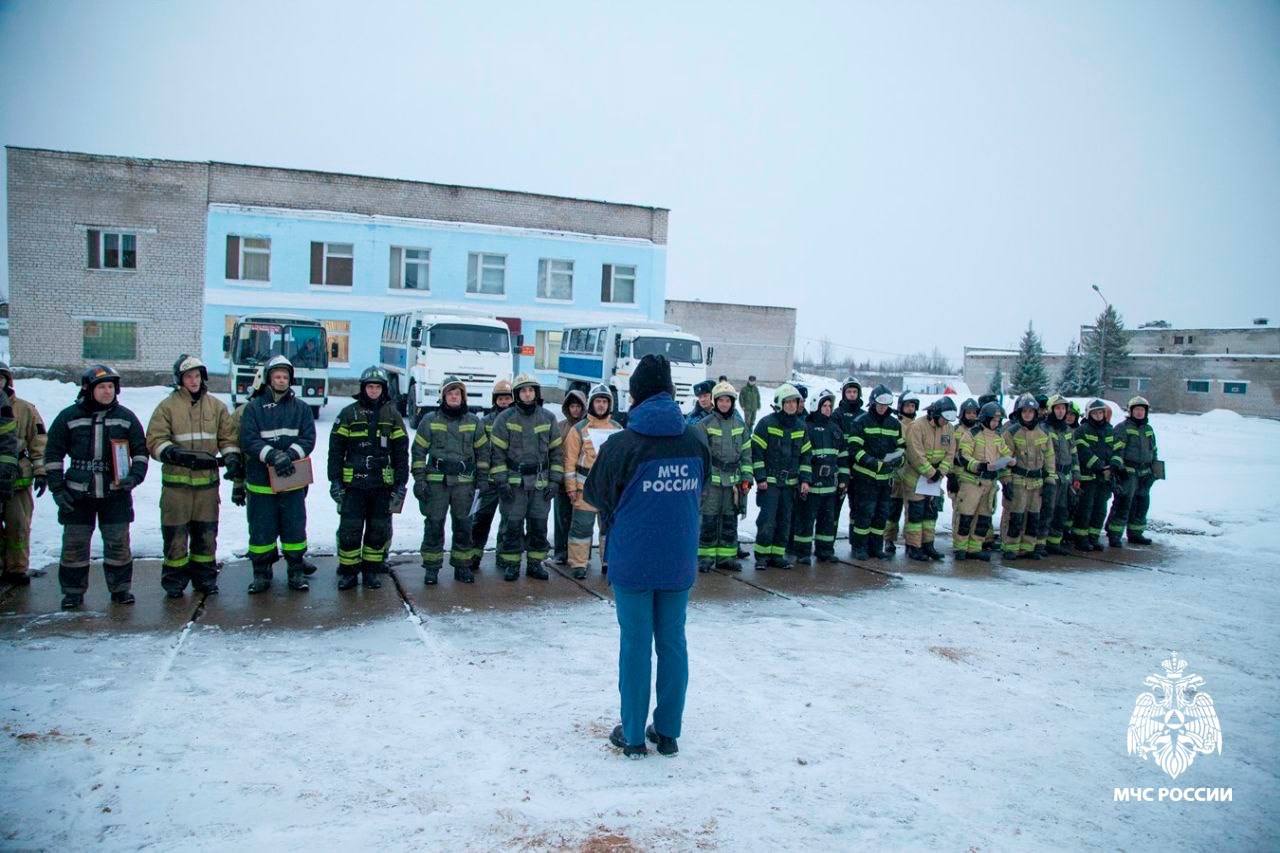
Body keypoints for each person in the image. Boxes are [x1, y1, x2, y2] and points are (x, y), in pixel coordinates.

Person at [583, 354, 708, 758]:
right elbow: (701, 486)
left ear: (634, 396)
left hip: (632, 560)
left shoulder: (622, 444)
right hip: (678, 559)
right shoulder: (695, 439)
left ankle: (634, 736)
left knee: (636, 644)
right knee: (673, 642)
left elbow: (594, 495)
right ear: (671, 393)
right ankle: (668, 731)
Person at [44, 365, 148, 609]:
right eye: (101, 387)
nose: (107, 391)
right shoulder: (68, 417)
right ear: (89, 389)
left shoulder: (126, 417)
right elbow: (52, 454)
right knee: (75, 544)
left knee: (118, 543)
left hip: (116, 493)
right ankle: (72, 593)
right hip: (77, 494)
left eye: (111, 387)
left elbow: (141, 453)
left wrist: (134, 477)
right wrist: (57, 489)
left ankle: (121, 590)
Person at [146, 355, 240, 598]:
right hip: (176, 487)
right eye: (189, 376)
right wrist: (172, 453)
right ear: (180, 379)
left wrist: (230, 457)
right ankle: (175, 582)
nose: (194, 380)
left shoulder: (216, 407)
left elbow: (227, 438)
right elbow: (155, 439)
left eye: (197, 376)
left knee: (206, 536)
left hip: (207, 487)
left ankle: (205, 579)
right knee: (176, 536)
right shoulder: (167, 407)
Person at [240, 355, 316, 593]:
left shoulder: (301, 408)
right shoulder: (254, 408)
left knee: (294, 529)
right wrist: (272, 456)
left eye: (285, 377)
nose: (281, 381)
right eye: (277, 376)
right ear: (269, 379)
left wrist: (290, 455)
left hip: (292, 482)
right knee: (261, 530)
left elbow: (308, 438)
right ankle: (261, 574)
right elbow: (248, 439)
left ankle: (295, 572)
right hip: (260, 483)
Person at [330, 367, 408, 590]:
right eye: (370, 386)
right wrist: (334, 480)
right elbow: (335, 450)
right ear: (363, 388)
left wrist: (400, 482)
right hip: (353, 485)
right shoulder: (347, 414)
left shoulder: (392, 416)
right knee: (350, 529)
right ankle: (348, 572)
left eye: (378, 387)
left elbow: (401, 452)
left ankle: (371, 571)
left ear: (384, 390)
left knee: (378, 530)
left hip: (382, 485)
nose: (373, 390)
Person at [489, 374, 563, 581]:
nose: (527, 394)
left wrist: (555, 480)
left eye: (531, 390)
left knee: (538, 525)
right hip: (514, 484)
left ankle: (535, 563)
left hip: (541, 483)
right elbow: (497, 455)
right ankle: (511, 564)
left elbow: (557, 453)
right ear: (516, 394)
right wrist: (501, 481)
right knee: (512, 525)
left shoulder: (548, 418)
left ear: (536, 392)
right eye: (523, 390)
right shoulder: (504, 419)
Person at [411, 376, 484, 584]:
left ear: (463, 397)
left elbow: (483, 454)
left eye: (458, 393)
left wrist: (482, 481)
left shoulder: (473, 421)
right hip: (436, 482)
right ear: (443, 396)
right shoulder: (430, 420)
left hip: (464, 483)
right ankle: (432, 568)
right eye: (450, 393)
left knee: (463, 525)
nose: (454, 396)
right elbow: (418, 452)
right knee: (434, 524)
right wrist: (419, 480)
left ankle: (462, 566)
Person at [563, 384, 623, 579]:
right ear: (591, 403)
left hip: (609, 491)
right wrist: (571, 488)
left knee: (609, 528)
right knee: (581, 528)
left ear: (609, 404)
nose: (601, 405)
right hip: (584, 489)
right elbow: (569, 460)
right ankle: (579, 564)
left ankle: (609, 561)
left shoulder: (618, 429)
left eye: (605, 401)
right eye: (598, 401)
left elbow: (623, 461)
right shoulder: (578, 429)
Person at [694, 380, 752, 572]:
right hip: (711, 484)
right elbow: (699, 455)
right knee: (709, 520)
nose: (724, 404)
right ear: (715, 401)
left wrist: (747, 478)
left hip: (733, 484)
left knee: (729, 520)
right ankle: (705, 558)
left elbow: (746, 454)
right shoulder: (704, 425)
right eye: (721, 400)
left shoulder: (740, 425)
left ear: (732, 402)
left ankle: (726, 558)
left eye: (728, 400)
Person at [847, 385, 905, 561]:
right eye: (879, 404)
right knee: (863, 515)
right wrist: (871, 462)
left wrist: (898, 460)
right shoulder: (861, 421)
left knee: (881, 515)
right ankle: (859, 547)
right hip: (864, 478)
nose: (882, 408)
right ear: (873, 403)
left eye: (886, 405)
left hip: (885, 480)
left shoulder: (895, 424)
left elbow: (902, 448)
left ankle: (875, 547)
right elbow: (854, 449)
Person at [751, 383, 806, 569]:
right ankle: (762, 557)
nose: (791, 405)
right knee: (767, 520)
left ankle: (777, 555)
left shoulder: (801, 427)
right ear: (779, 404)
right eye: (787, 402)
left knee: (784, 520)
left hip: (790, 484)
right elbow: (756, 453)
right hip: (770, 483)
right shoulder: (766, 424)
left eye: (794, 402)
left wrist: (805, 480)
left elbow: (806, 456)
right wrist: (760, 478)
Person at [0, 363, 45, 586]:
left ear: (8, 381)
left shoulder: (25, 409)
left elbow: (39, 442)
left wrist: (41, 471)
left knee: (18, 525)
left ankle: (17, 568)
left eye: (1, 379)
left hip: (17, 478)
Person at [790, 389, 846, 565]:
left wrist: (844, 480)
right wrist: (804, 480)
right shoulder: (805, 427)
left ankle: (825, 551)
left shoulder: (836, 430)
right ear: (816, 406)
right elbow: (800, 456)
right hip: (811, 484)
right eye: (825, 405)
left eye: (830, 406)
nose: (828, 409)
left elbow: (843, 457)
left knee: (827, 521)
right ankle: (802, 552)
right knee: (805, 519)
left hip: (830, 486)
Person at [999, 393, 1056, 560]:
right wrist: (1006, 481)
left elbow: (1050, 457)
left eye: (1031, 411)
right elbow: (1004, 458)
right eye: (1024, 411)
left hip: (1037, 482)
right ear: (1019, 412)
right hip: (1018, 480)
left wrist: (1050, 480)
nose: (1028, 414)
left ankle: (1028, 547)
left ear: (1036, 413)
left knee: (1033, 516)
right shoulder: (1011, 433)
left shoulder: (1043, 433)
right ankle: (1010, 547)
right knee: (1015, 515)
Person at [952, 401, 1010, 561]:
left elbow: (1005, 452)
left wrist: (1009, 461)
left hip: (989, 484)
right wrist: (979, 465)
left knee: (983, 518)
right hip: (972, 482)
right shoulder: (971, 434)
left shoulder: (998, 436)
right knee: (965, 516)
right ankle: (961, 547)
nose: (996, 424)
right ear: (985, 418)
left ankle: (975, 547)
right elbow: (963, 456)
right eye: (994, 420)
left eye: (998, 421)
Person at [903, 396, 957, 562]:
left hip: (934, 480)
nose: (945, 422)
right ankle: (914, 546)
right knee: (916, 514)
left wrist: (940, 472)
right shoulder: (917, 426)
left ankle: (928, 544)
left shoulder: (948, 428)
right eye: (943, 418)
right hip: (916, 477)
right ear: (935, 414)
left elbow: (950, 453)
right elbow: (915, 453)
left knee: (930, 514)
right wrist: (930, 472)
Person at [469, 378, 513, 573]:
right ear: (494, 400)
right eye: (501, 399)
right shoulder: (485, 422)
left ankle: (503, 557)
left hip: (509, 481)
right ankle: (474, 555)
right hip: (488, 482)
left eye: (507, 398)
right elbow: (481, 451)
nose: (504, 402)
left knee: (508, 520)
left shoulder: (516, 421)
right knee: (481, 519)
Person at [1105, 396, 1159, 546]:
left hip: (1145, 472)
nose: (1140, 413)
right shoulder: (1123, 428)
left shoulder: (1148, 429)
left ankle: (1136, 533)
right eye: (1137, 410)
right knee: (1123, 502)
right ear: (1131, 411)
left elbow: (1153, 450)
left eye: (1142, 410)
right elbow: (1117, 450)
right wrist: (1118, 468)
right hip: (1128, 472)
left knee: (1141, 503)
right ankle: (1114, 534)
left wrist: (1155, 469)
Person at [1072, 399, 1116, 552]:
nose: (1098, 416)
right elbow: (1084, 452)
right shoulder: (1082, 430)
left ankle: (1093, 537)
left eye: (1100, 412)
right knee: (1085, 509)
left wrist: (1112, 466)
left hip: (1104, 478)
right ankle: (1080, 538)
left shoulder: (1110, 430)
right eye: (1095, 413)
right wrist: (1100, 467)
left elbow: (1115, 450)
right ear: (1088, 414)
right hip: (1088, 478)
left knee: (1100, 509)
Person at [1038, 394, 1079, 555]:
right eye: (1057, 408)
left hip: (1066, 477)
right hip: (1051, 475)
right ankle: (1040, 543)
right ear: (1051, 410)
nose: (1061, 412)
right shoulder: (1044, 429)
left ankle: (1054, 542)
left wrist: (1077, 476)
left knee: (1062, 510)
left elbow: (1074, 454)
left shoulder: (1068, 430)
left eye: (1063, 408)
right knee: (1047, 510)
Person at [551, 390, 587, 566]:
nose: (575, 410)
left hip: (582, 481)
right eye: (572, 406)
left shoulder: (588, 426)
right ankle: (560, 552)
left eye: (579, 406)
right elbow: (554, 452)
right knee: (561, 517)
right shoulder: (560, 426)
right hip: (562, 480)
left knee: (580, 520)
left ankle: (580, 554)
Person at [883, 390, 920, 553]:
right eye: (907, 405)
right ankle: (888, 539)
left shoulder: (919, 425)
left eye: (913, 405)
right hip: (897, 473)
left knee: (912, 511)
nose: (910, 408)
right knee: (893, 509)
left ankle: (910, 542)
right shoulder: (895, 423)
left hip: (913, 473)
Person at [946, 398, 981, 540]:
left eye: (974, 413)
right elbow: (947, 454)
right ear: (962, 414)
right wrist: (950, 475)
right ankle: (958, 540)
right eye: (969, 413)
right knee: (960, 511)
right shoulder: (954, 431)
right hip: (958, 476)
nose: (972, 415)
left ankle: (973, 541)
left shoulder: (981, 431)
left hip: (975, 477)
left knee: (975, 511)